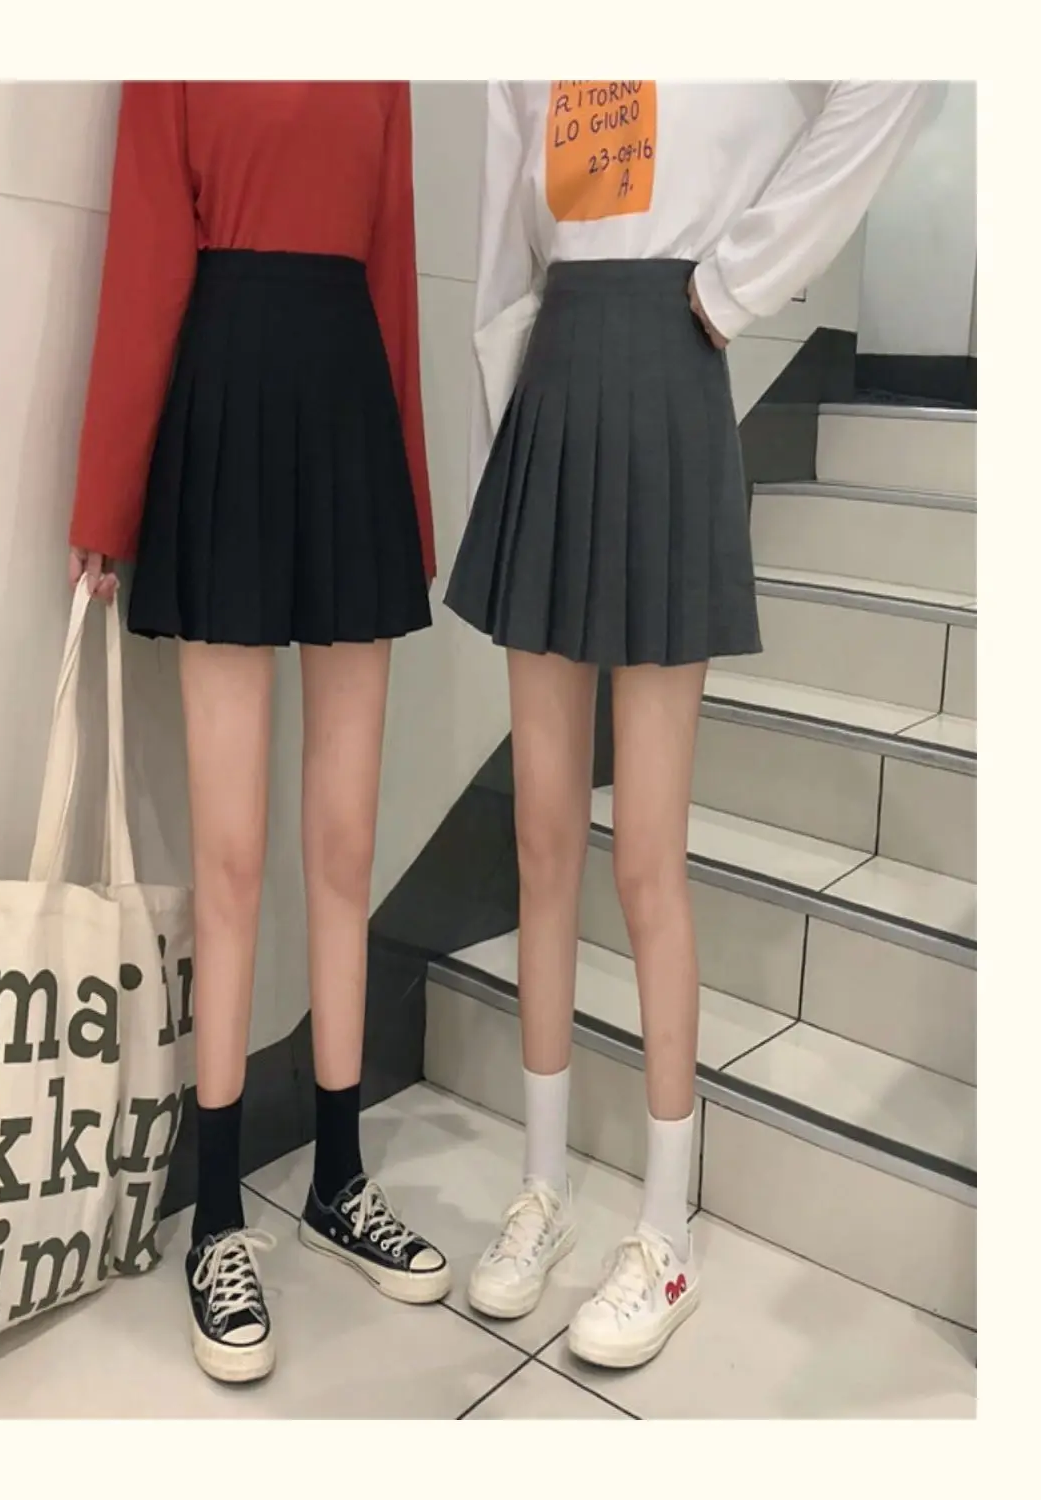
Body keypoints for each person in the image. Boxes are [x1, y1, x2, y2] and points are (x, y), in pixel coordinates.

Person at [446, 80, 941, 1370]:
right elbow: (502, 265)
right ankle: (542, 1189)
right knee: (542, 840)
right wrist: (509, 463)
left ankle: (664, 1237)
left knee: (646, 858)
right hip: (554, 387)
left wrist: (733, 285)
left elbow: (904, 67)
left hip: (671, 377)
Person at [69, 81, 451, 1385]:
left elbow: (394, 271)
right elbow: (144, 263)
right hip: (223, 400)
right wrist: (106, 502)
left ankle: (340, 1177)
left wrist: (408, 500)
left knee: (343, 842)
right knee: (230, 858)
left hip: (349, 414)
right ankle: (218, 1218)